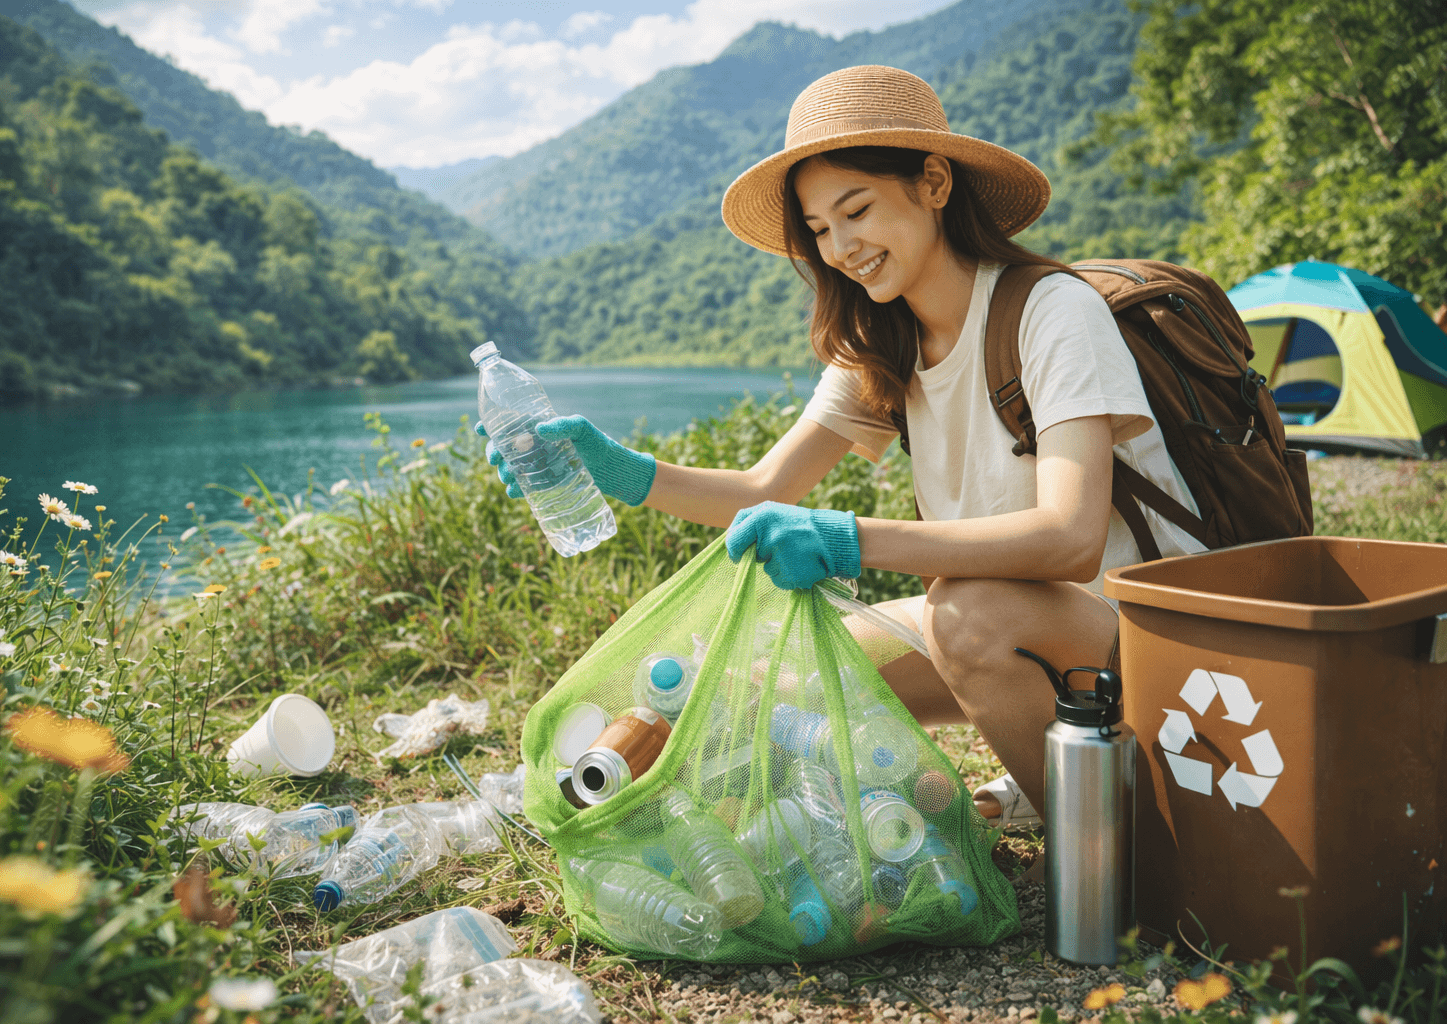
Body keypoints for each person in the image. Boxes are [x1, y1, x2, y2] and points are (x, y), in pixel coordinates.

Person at [478, 65, 1204, 828]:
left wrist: (850, 541)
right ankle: (1052, 775)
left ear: (932, 183)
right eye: (820, 230)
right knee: (769, 679)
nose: (841, 247)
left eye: (856, 210)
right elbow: (765, 489)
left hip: (1151, 655)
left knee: (964, 607)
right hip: (1015, 632)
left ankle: (1126, 846)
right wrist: (619, 471)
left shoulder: (1052, 312)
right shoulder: (883, 343)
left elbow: (1070, 539)